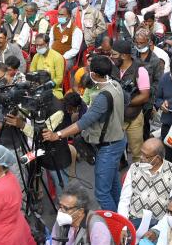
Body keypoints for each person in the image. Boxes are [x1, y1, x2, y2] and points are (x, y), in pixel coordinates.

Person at [43, 56, 127, 211]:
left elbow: (83, 123)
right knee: (114, 185)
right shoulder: (115, 84)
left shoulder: (102, 97)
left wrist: (57, 135)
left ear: (93, 74)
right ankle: (121, 216)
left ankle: (115, 226)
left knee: (102, 193)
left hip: (108, 146)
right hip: (117, 141)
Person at [45, 183, 123, 245]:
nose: (61, 211)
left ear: (80, 211)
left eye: (66, 208)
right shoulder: (62, 220)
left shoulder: (97, 228)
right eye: (60, 206)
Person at [117, 137, 172, 227]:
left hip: (159, 223)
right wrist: (124, 225)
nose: (141, 157)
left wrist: (157, 230)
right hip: (134, 220)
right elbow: (124, 200)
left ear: (157, 158)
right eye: (141, 153)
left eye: (145, 156)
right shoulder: (134, 168)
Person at [29, 33, 66, 99]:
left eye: (40, 45)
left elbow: (59, 79)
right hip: (37, 89)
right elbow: (32, 72)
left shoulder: (57, 57)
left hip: (53, 90)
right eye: (36, 45)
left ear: (47, 44)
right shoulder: (36, 56)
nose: (38, 47)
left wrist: (46, 86)